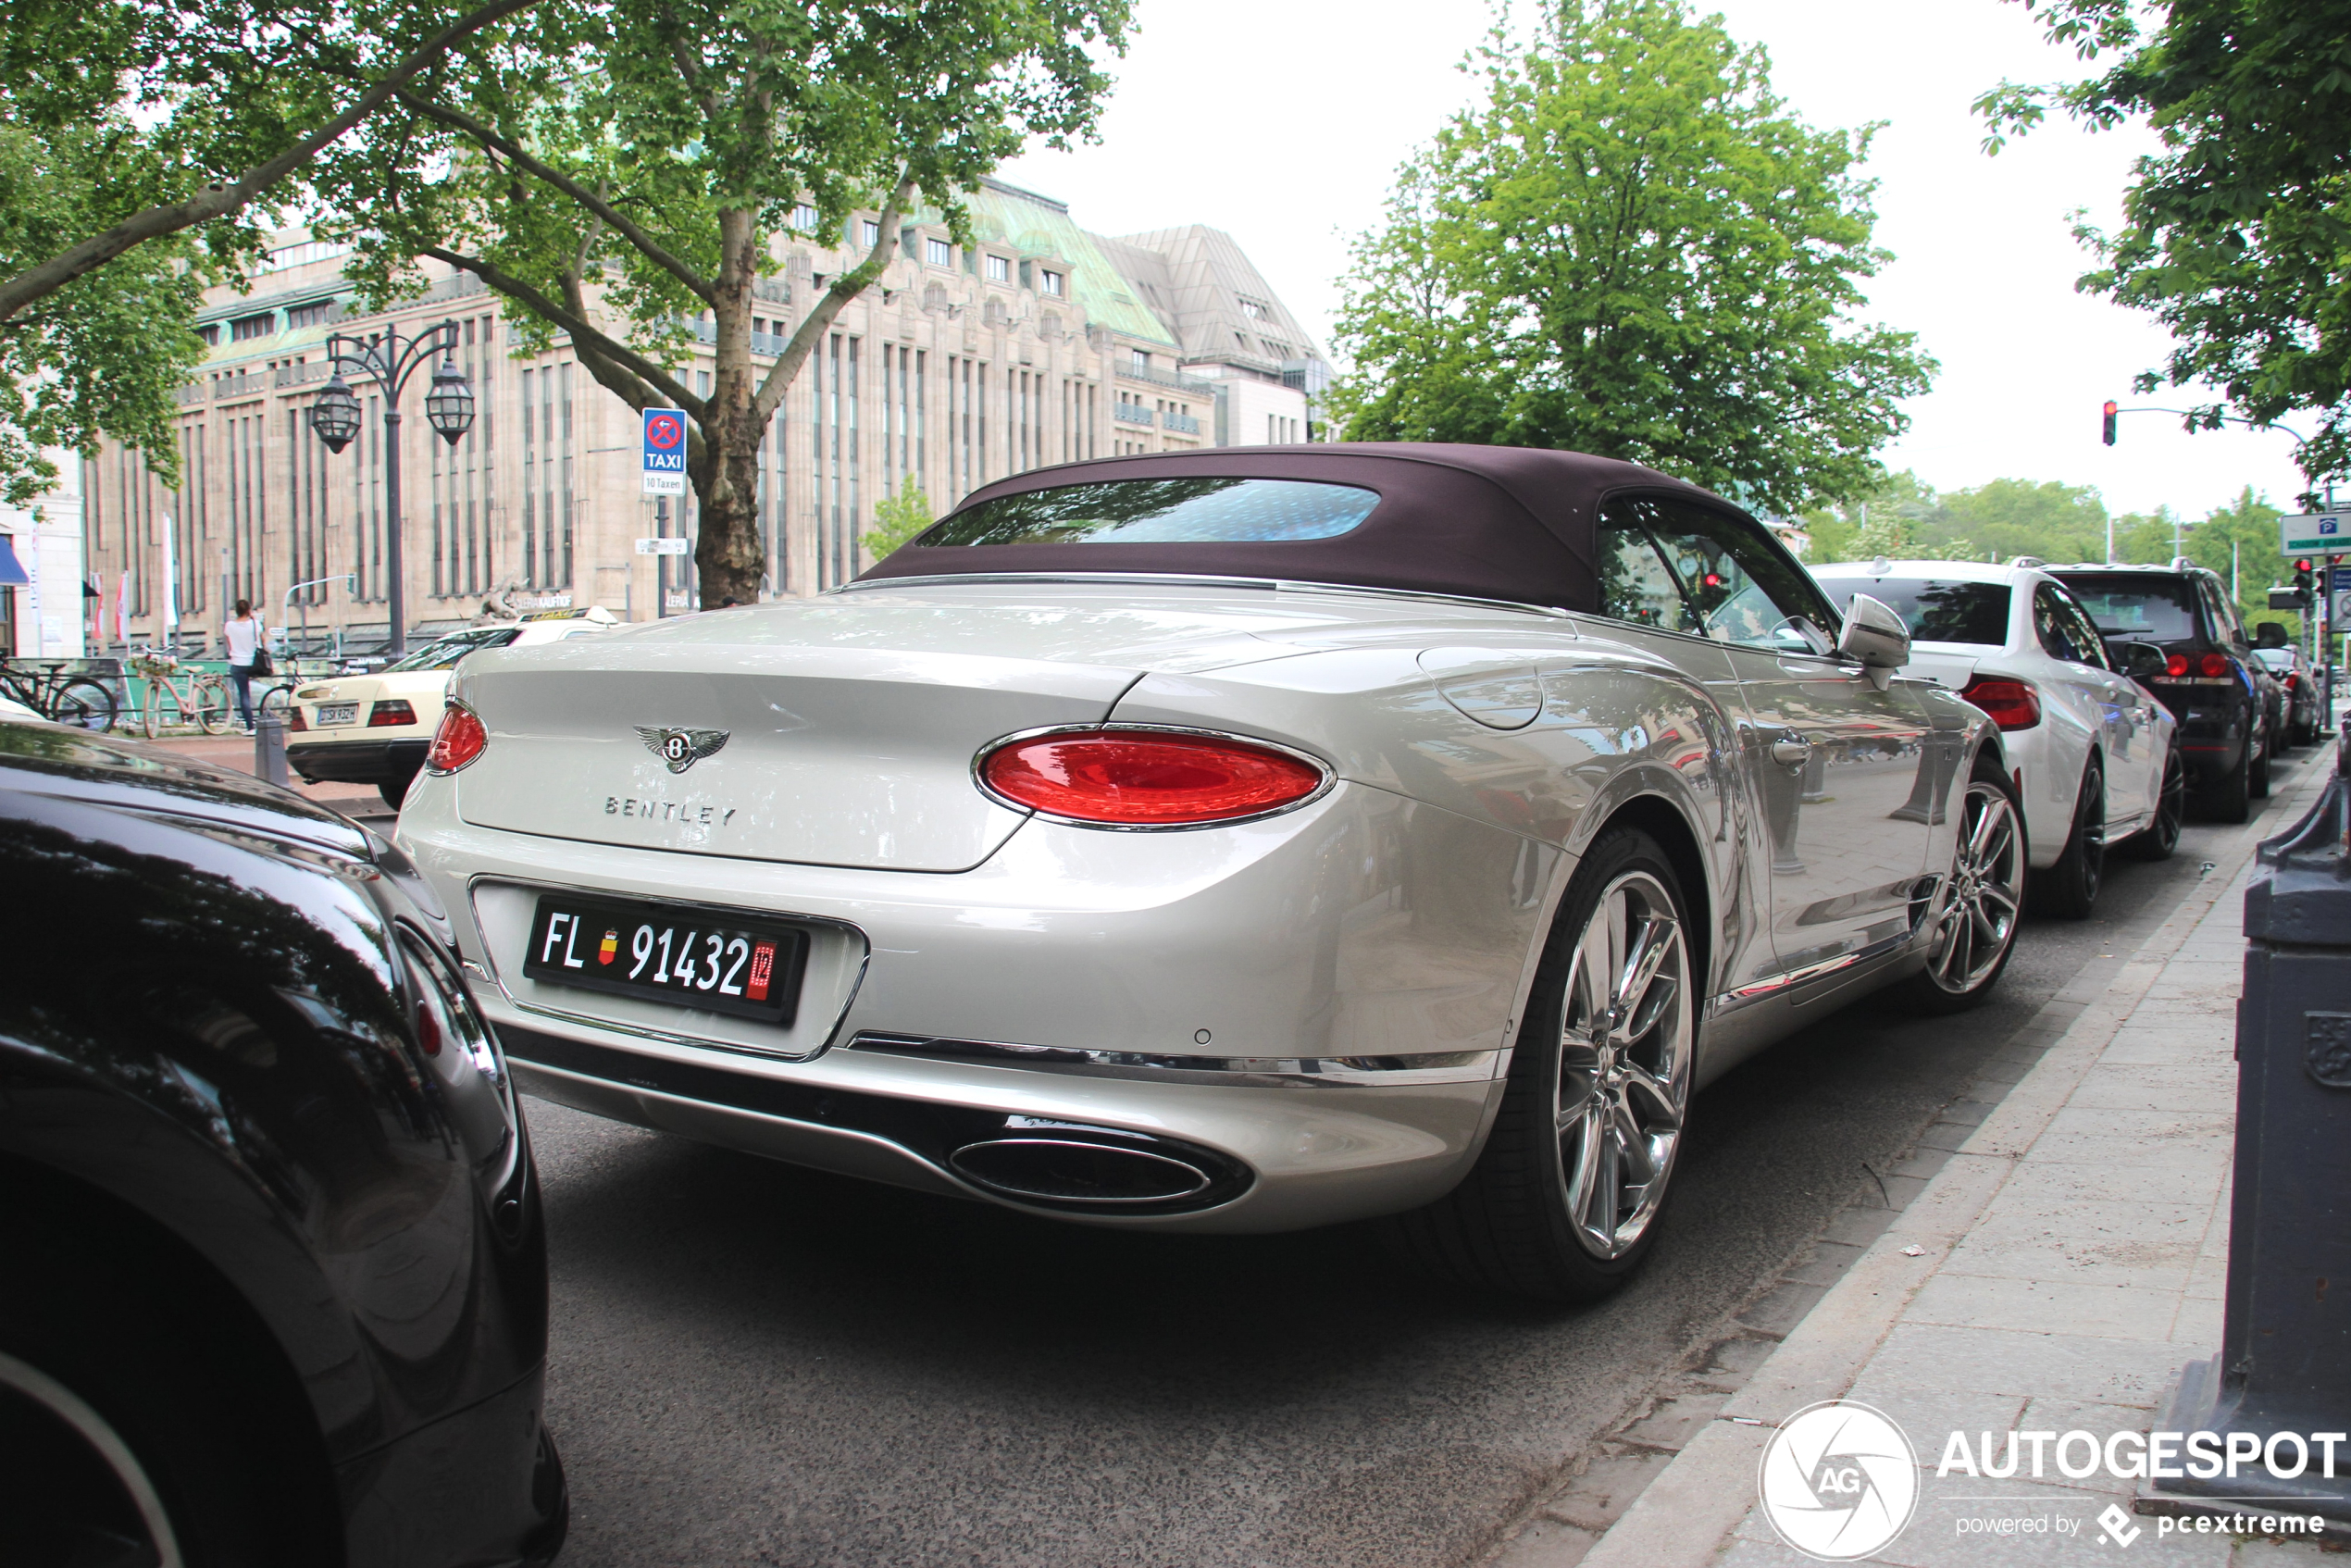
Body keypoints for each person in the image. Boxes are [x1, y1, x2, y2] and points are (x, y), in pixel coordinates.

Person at [223, 599, 264, 731]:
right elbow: (262, 641)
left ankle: (250, 726)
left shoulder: (229, 626)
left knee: (244, 695)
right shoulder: (255, 624)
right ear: (249, 610)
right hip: (253, 663)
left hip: (237, 663)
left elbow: (229, 642)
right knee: (260, 690)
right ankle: (263, 718)